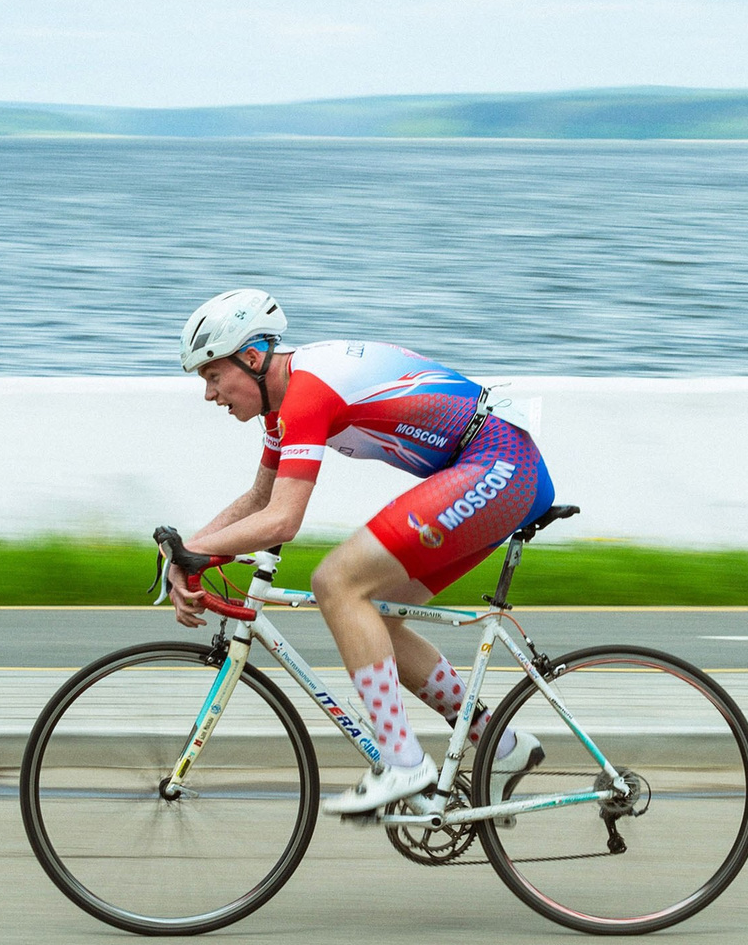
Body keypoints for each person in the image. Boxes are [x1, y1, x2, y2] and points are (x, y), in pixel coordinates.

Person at [170, 288, 552, 815]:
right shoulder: (284, 406)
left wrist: (195, 553)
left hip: (498, 462)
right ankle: (500, 745)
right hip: (488, 466)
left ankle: (403, 761)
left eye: (213, 376)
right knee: (371, 617)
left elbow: (283, 519)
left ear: (252, 358)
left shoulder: (307, 393)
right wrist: (188, 551)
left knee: (337, 583)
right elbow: (260, 499)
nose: (210, 394)